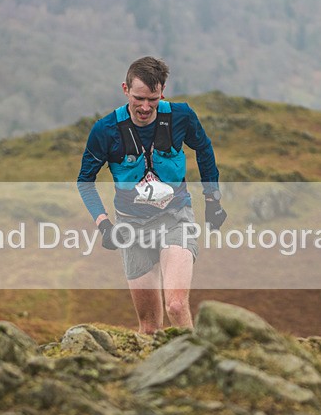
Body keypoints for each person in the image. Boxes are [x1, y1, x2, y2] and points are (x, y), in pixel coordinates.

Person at [77, 56, 226, 334]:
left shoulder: (181, 116)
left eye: (153, 100)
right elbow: (85, 181)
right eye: (139, 98)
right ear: (125, 90)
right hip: (131, 227)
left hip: (174, 218)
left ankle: (195, 364)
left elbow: (204, 149)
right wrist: (104, 224)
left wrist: (212, 199)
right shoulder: (105, 130)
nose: (145, 107)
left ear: (163, 92)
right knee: (149, 327)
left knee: (177, 306)